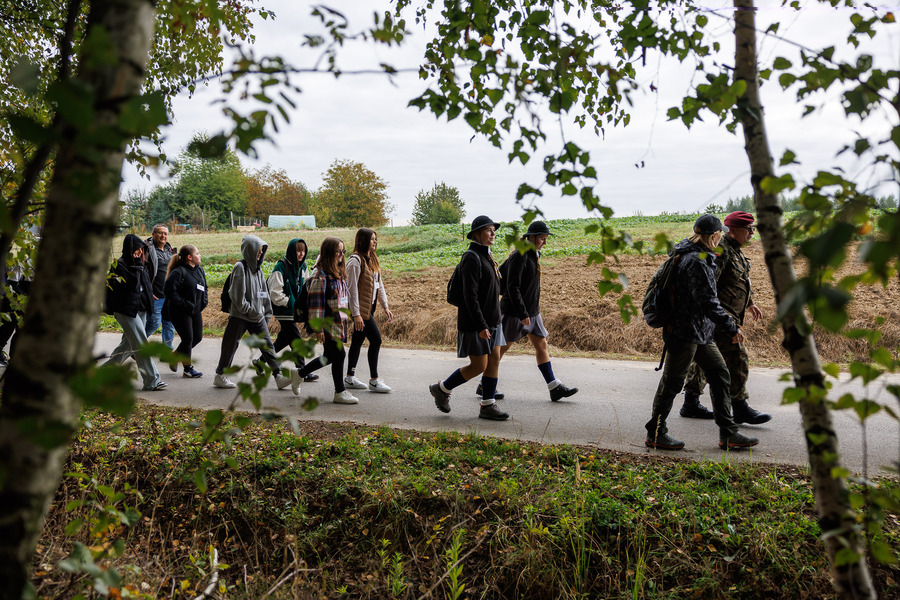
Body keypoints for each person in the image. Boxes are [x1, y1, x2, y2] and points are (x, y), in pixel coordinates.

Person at [645, 215, 759, 451]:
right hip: (685, 331)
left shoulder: (693, 255)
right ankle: (656, 432)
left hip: (700, 330)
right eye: (719, 235)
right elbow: (709, 301)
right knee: (672, 383)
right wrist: (732, 326)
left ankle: (728, 433)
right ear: (715, 235)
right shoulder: (696, 261)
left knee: (719, 373)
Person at [678, 211, 772, 424]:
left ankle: (690, 402)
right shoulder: (722, 251)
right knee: (738, 359)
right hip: (720, 318)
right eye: (748, 229)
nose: (751, 233)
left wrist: (750, 303)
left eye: (752, 229)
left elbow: (737, 281)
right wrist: (723, 319)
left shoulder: (735, 251)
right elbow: (708, 286)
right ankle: (739, 406)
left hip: (723, 317)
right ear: (733, 230)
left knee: (704, 361)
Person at [429, 215, 510, 421]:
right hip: (477, 323)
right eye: (488, 230)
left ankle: (487, 405)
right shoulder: (471, 257)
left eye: (494, 230)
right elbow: (469, 296)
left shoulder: (488, 256)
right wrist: (481, 324)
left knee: (493, 361)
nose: (493, 234)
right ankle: (442, 388)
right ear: (476, 234)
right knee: (478, 366)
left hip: (493, 321)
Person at [491, 220, 578, 402]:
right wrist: (522, 313)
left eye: (546, 239)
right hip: (516, 312)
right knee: (501, 350)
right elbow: (512, 287)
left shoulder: (533, 254)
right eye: (542, 239)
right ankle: (485, 384)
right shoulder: (520, 256)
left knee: (542, 345)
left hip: (532, 312)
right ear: (531, 237)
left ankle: (554, 387)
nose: (545, 242)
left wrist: (530, 312)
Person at [213, 234, 295, 392]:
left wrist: (267, 313)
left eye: (262, 249)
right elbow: (237, 297)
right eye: (258, 249)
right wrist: (252, 311)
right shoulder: (240, 268)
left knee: (268, 346)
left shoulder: (258, 270)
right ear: (249, 249)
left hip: (257, 317)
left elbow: (264, 293)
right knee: (230, 345)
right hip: (240, 316)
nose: (260, 252)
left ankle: (278, 376)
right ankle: (220, 375)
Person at [291, 237, 358, 404]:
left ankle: (299, 373)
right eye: (338, 251)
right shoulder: (320, 275)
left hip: (337, 321)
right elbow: (316, 304)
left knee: (331, 355)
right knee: (339, 353)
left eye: (343, 251)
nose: (342, 254)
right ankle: (339, 392)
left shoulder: (338, 272)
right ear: (329, 252)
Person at [103, 234, 166, 391]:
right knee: (140, 344)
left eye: (141, 249)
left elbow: (144, 285)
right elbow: (130, 286)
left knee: (128, 345)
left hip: (140, 308)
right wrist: (137, 266)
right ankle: (152, 380)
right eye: (137, 249)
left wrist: (149, 298)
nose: (139, 252)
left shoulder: (141, 264)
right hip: (125, 310)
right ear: (129, 249)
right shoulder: (119, 265)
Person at [344, 228, 394, 394]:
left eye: (375, 239)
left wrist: (385, 306)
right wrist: (356, 314)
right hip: (361, 311)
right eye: (372, 239)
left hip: (368, 309)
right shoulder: (355, 261)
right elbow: (351, 290)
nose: (375, 242)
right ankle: (374, 380)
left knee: (357, 341)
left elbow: (379, 285)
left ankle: (350, 377)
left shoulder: (372, 259)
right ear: (364, 240)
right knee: (376, 340)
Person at [266, 238, 318, 382]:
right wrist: (291, 303)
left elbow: (307, 286)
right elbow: (275, 293)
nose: (301, 254)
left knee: (282, 340)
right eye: (298, 250)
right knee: (297, 341)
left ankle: (260, 361)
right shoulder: (281, 267)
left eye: (303, 251)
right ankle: (302, 371)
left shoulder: (303, 267)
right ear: (291, 251)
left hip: (294, 312)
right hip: (284, 311)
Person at [163, 245, 208, 378]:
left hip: (195, 310)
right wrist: (185, 304)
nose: (200, 256)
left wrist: (203, 302)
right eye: (197, 253)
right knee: (188, 339)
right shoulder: (178, 272)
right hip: (179, 311)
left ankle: (175, 356)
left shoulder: (199, 270)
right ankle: (188, 369)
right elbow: (169, 291)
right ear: (189, 257)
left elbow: (205, 287)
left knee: (197, 337)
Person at [144, 224, 176, 350]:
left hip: (168, 294)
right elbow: (143, 272)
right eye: (160, 233)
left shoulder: (170, 250)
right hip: (155, 295)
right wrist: (148, 291)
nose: (163, 236)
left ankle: (167, 352)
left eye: (166, 233)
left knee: (169, 323)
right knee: (154, 323)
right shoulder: (147, 250)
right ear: (153, 234)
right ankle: (133, 344)